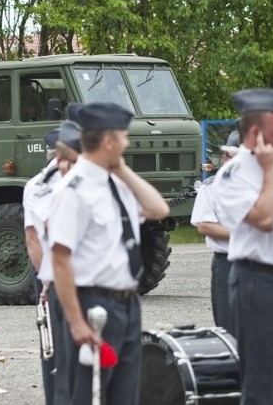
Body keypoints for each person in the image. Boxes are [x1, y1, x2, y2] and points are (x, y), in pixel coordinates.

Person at [50, 102, 169, 405]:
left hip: (127, 305)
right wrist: (76, 322)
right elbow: (60, 259)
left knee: (125, 395)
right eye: (124, 137)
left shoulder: (117, 183)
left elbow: (158, 209)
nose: (127, 143)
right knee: (88, 395)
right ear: (108, 142)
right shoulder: (73, 190)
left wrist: (122, 170)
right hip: (93, 305)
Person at [210, 88, 273, 404]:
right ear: (257, 132)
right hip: (260, 284)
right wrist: (269, 170)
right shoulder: (234, 174)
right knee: (261, 386)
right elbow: (265, 218)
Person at [24, 116, 82, 405]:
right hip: (59, 276)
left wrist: (44, 276)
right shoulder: (42, 186)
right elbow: (35, 240)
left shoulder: (35, 184)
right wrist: (48, 278)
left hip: (52, 275)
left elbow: (32, 240)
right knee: (60, 347)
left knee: (58, 350)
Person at [189, 130, 240, 334]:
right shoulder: (212, 187)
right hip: (227, 261)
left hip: (260, 263)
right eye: (237, 157)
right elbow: (205, 225)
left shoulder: (264, 185)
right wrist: (245, 236)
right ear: (226, 157)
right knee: (228, 326)